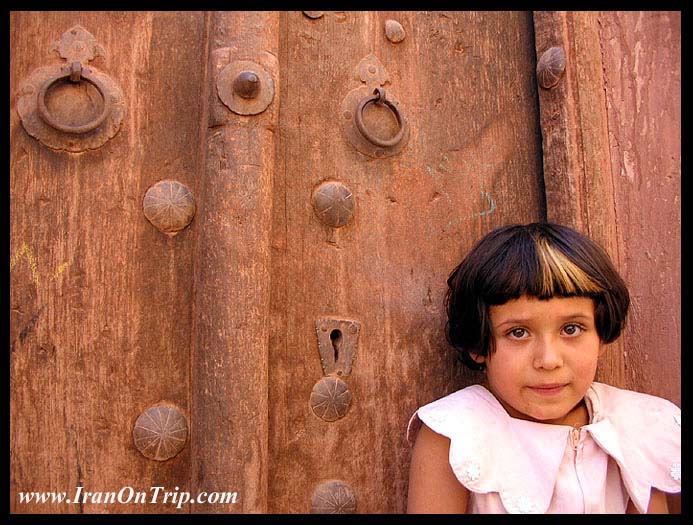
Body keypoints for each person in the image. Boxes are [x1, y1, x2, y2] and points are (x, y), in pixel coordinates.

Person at [406, 223, 680, 514]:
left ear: (601, 334)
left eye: (571, 329)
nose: (549, 360)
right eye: (519, 333)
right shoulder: (456, 434)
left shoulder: (644, 424)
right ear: (479, 344)